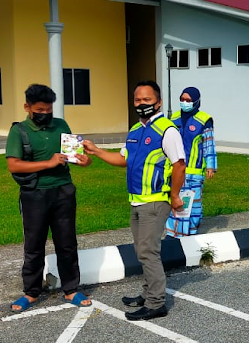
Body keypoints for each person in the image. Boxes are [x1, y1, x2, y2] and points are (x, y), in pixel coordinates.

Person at [83, 80, 186, 321]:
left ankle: (156, 303)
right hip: (137, 201)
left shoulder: (167, 130)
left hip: (155, 201)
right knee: (142, 252)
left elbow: (179, 165)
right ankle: (148, 293)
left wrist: (174, 196)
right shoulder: (135, 130)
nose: (141, 104)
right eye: (138, 100)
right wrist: (97, 151)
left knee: (148, 252)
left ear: (158, 102)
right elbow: (124, 160)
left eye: (147, 100)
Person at [6, 84, 93, 313]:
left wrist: (85, 161)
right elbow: (13, 164)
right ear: (27, 107)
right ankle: (31, 292)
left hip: (63, 190)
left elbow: (75, 156)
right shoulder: (19, 131)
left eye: (48, 110)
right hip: (35, 193)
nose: (45, 114)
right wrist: (48, 163)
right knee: (34, 245)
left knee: (67, 242)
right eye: (40, 110)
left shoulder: (61, 125)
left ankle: (71, 289)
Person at [165, 86, 217, 238]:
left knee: (193, 205)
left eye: (188, 100)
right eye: (182, 99)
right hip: (175, 169)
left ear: (196, 101)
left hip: (194, 171)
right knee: (175, 200)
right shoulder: (173, 119)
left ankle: (191, 232)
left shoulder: (204, 120)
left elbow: (208, 144)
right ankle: (173, 233)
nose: (184, 102)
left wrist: (211, 165)